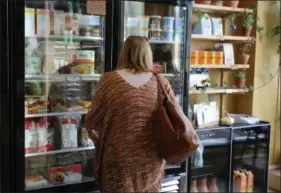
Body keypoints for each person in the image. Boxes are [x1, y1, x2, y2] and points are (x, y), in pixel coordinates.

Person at [85, 36, 178, 192]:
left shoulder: (108, 81)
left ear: (124, 53)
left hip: (117, 161)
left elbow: (91, 122)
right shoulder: (161, 83)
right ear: (148, 55)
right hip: (151, 162)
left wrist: (104, 141)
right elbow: (174, 119)